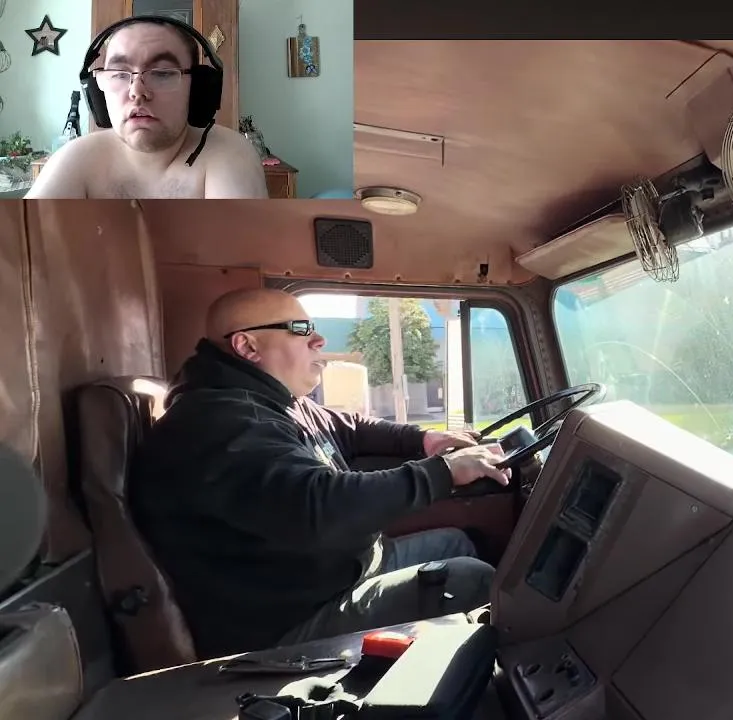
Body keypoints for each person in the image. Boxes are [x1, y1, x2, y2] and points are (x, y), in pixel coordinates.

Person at [128, 288, 508, 658]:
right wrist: (443, 472)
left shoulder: (272, 401)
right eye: (301, 329)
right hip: (286, 623)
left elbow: (351, 427)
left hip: (330, 575)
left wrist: (424, 440)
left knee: (456, 543)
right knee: (473, 579)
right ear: (247, 346)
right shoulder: (219, 424)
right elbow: (320, 504)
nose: (319, 340)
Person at [27, 17, 268, 199]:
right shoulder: (76, 158)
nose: (137, 92)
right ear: (97, 89)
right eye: (119, 73)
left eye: (162, 73)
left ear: (197, 89)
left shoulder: (229, 154)